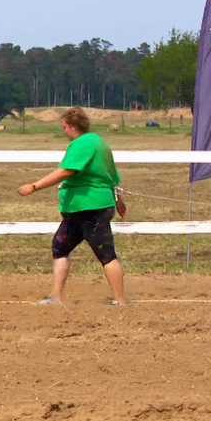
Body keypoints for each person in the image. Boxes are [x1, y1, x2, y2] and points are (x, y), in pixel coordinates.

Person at [17, 107, 128, 305]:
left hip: (88, 207)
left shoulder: (81, 144)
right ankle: (55, 297)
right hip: (82, 209)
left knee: (106, 254)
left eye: (65, 127)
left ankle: (121, 301)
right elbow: (113, 177)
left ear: (73, 127)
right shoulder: (100, 142)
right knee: (60, 246)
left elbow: (66, 171)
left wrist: (34, 186)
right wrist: (119, 201)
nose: (64, 131)